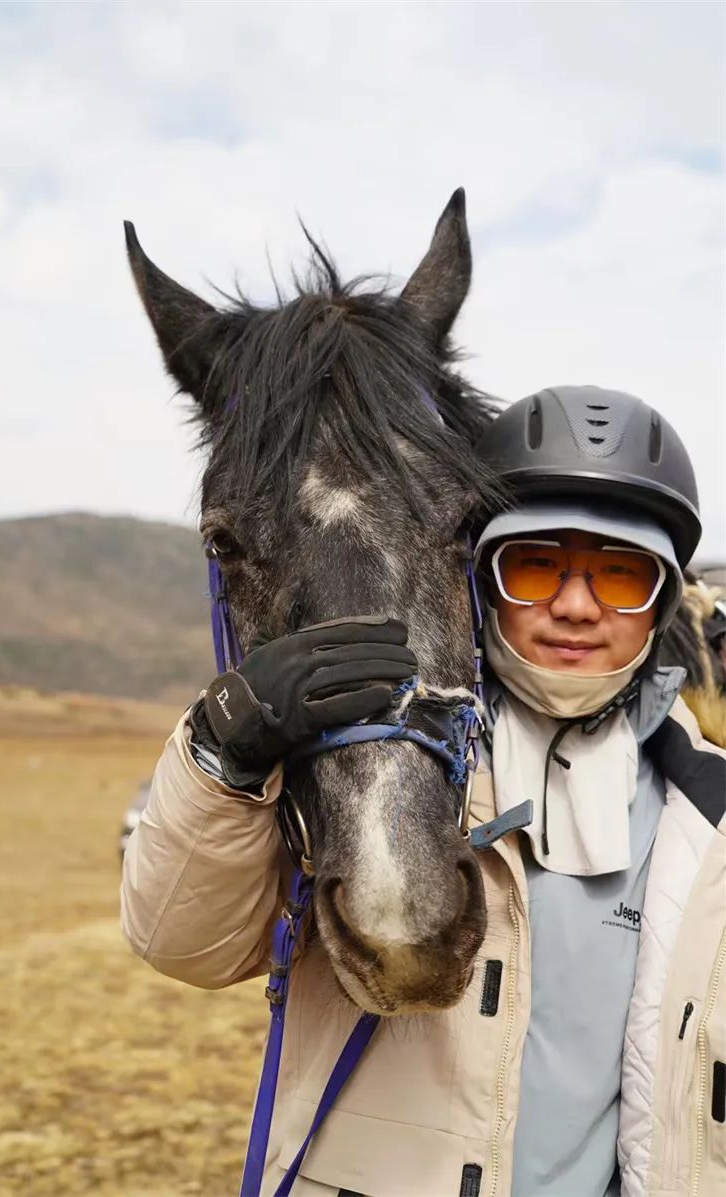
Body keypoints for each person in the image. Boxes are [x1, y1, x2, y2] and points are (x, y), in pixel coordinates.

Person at [121, 386, 726, 1197]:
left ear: (658, 604)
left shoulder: (705, 816)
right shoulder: (374, 765)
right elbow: (185, 943)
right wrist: (221, 751)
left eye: (621, 575)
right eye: (536, 564)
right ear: (477, 578)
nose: (576, 606)